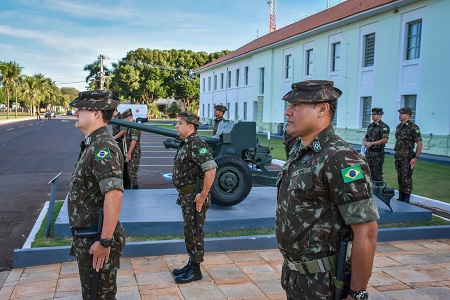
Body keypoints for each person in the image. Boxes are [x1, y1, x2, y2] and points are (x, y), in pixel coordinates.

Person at [276, 80, 379, 300]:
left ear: (323, 109)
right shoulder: (300, 151)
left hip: (323, 284)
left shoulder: (340, 158)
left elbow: (366, 232)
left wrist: (356, 292)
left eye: (296, 105)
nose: (288, 111)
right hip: (296, 276)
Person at [68, 90, 126, 299]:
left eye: (80, 109)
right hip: (90, 236)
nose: (75, 113)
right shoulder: (92, 144)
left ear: (96, 113)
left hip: (97, 238)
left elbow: (114, 195)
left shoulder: (102, 146)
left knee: (100, 296)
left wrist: (105, 242)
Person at [171, 112, 217, 284]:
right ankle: (191, 263)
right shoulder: (187, 143)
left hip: (194, 197)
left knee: (195, 232)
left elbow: (210, 170)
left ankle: (196, 270)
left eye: (180, 123)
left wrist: (202, 195)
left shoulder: (197, 144)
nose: (177, 126)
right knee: (190, 231)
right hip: (187, 196)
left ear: (190, 126)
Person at [394, 107, 422, 203]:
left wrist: (415, 158)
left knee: (407, 178)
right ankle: (401, 197)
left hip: (407, 157)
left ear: (408, 115)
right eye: (400, 113)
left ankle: (406, 199)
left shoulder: (413, 127)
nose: (400, 115)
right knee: (400, 177)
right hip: (398, 157)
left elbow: (419, 143)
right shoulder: (398, 127)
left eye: (402, 113)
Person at [363, 107, 390, 183]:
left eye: (375, 114)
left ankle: (377, 191)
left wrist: (371, 143)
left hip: (377, 155)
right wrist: (365, 142)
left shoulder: (383, 127)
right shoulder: (370, 126)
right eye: (372, 114)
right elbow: (366, 136)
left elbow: (385, 140)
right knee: (367, 173)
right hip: (369, 154)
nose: (372, 116)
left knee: (377, 175)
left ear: (380, 115)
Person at [119, 108, 141, 189]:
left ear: (128, 117)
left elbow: (134, 141)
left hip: (134, 153)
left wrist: (129, 153)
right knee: (129, 173)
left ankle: (135, 190)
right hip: (131, 152)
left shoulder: (134, 126)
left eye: (124, 119)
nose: (124, 121)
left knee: (133, 174)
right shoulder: (130, 125)